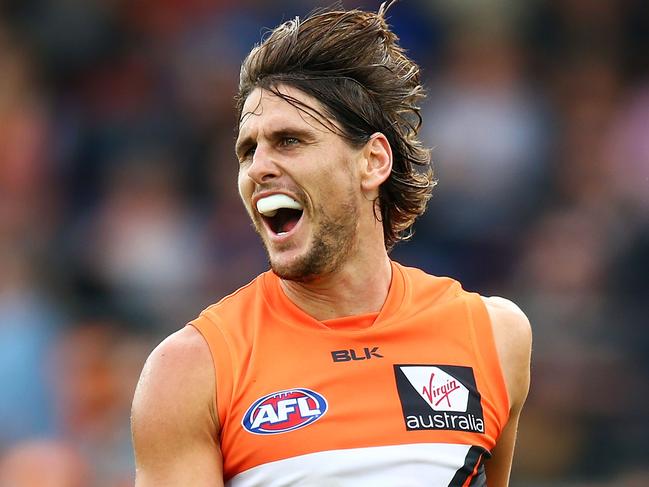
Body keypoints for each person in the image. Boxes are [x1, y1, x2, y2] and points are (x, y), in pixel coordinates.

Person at [131, 3, 532, 486]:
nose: (258, 168)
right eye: (247, 149)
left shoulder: (495, 336)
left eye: (290, 140)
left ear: (373, 161)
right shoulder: (192, 371)